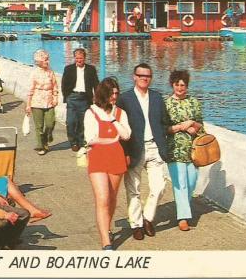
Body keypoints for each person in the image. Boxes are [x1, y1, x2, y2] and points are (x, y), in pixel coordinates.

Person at [116, 63, 168, 241]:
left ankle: (147, 217)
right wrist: (124, 153)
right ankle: (136, 224)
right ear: (134, 77)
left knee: (159, 186)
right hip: (134, 148)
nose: (145, 78)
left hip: (155, 147)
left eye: (148, 76)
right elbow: (119, 127)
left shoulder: (157, 97)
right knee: (133, 189)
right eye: (141, 75)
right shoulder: (124, 99)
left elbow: (163, 122)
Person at [84, 77, 131, 250]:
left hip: (116, 158)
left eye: (116, 93)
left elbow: (126, 135)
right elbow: (90, 139)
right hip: (97, 158)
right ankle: (106, 241)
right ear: (103, 94)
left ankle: (107, 227)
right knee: (102, 198)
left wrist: (112, 120)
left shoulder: (120, 113)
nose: (114, 97)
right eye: (111, 94)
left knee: (111, 199)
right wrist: (111, 140)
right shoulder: (91, 112)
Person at [165, 70, 204, 232]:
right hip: (175, 149)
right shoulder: (166, 104)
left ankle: (184, 209)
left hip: (193, 149)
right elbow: (163, 128)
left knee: (191, 182)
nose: (180, 88)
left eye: (183, 85)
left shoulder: (194, 102)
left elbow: (200, 124)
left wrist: (192, 125)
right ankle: (183, 217)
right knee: (180, 183)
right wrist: (181, 127)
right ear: (172, 85)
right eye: (177, 85)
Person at [61, 48, 99, 152]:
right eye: (77, 58)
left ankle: (82, 141)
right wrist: (67, 97)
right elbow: (64, 84)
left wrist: (97, 97)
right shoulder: (68, 69)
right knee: (71, 122)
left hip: (85, 98)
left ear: (85, 58)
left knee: (83, 122)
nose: (79, 60)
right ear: (74, 58)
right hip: (72, 97)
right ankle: (73, 142)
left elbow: (96, 84)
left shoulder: (91, 69)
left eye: (81, 58)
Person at [25, 50, 58, 155]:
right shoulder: (34, 73)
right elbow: (30, 90)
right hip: (37, 102)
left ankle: (47, 136)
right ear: (39, 61)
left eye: (48, 59)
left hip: (49, 101)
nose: (47, 61)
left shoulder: (50, 72)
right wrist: (28, 105)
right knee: (39, 126)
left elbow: (55, 86)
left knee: (50, 123)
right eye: (45, 60)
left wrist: (55, 97)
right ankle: (41, 146)